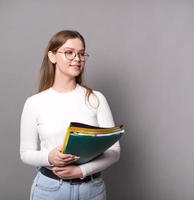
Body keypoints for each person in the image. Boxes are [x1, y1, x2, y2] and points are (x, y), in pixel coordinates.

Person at [20, 30, 120, 200]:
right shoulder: (34, 103)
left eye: (81, 54)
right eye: (69, 52)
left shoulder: (96, 99)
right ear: (52, 56)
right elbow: (26, 153)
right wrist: (49, 157)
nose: (77, 58)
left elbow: (114, 151)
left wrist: (80, 171)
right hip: (49, 190)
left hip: (91, 191)